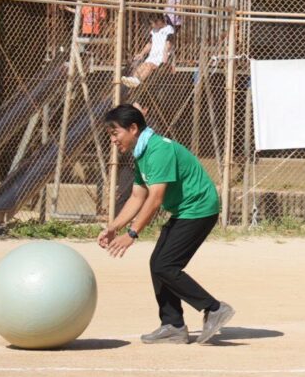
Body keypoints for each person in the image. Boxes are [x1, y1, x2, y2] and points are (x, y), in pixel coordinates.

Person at [99, 103, 233, 344]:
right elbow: (137, 196)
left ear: (133, 128)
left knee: (165, 265)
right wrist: (113, 226)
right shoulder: (142, 154)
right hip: (185, 211)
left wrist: (131, 233)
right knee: (158, 264)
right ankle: (173, 325)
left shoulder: (158, 150)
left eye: (115, 133)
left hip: (199, 209)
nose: (113, 140)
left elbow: (155, 198)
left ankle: (214, 309)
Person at [123, 13, 174, 88]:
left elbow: (168, 44)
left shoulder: (169, 29)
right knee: (143, 65)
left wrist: (165, 58)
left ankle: (137, 81)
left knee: (149, 66)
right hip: (152, 56)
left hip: (161, 57)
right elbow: (149, 44)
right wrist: (142, 54)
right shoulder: (154, 31)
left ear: (159, 21)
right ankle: (132, 80)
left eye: (152, 23)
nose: (151, 25)